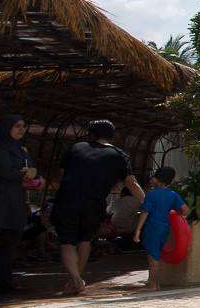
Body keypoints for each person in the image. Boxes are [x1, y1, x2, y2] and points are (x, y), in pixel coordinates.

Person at [51, 120, 143, 295]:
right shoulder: (119, 155)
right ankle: (76, 279)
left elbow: (61, 175)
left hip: (67, 200)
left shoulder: (76, 148)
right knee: (85, 240)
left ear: (91, 134)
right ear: (111, 136)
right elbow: (132, 183)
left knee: (67, 242)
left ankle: (76, 279)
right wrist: (147, 202)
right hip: (94, 203)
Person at [0, 114, 39, 295]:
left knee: (9, 245)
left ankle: (3, 283)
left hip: (15, 202)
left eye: (23, 126)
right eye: (17, 126)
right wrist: (25, 173)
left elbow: (32, 171)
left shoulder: (21, 149)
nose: (21, 130)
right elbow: (5, 171)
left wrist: (31, 175)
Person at [132, 166, 185, 292]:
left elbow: (145, 213)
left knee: (152, 257)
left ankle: (152, 285)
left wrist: (137, 231)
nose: (151, 179)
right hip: (165, 228)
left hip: (152, 227)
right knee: (157, 255)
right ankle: (155, 283)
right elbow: (185, 210)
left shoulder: (151, 195)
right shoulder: (173, 195)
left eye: (154, 177)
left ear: (159, 179)